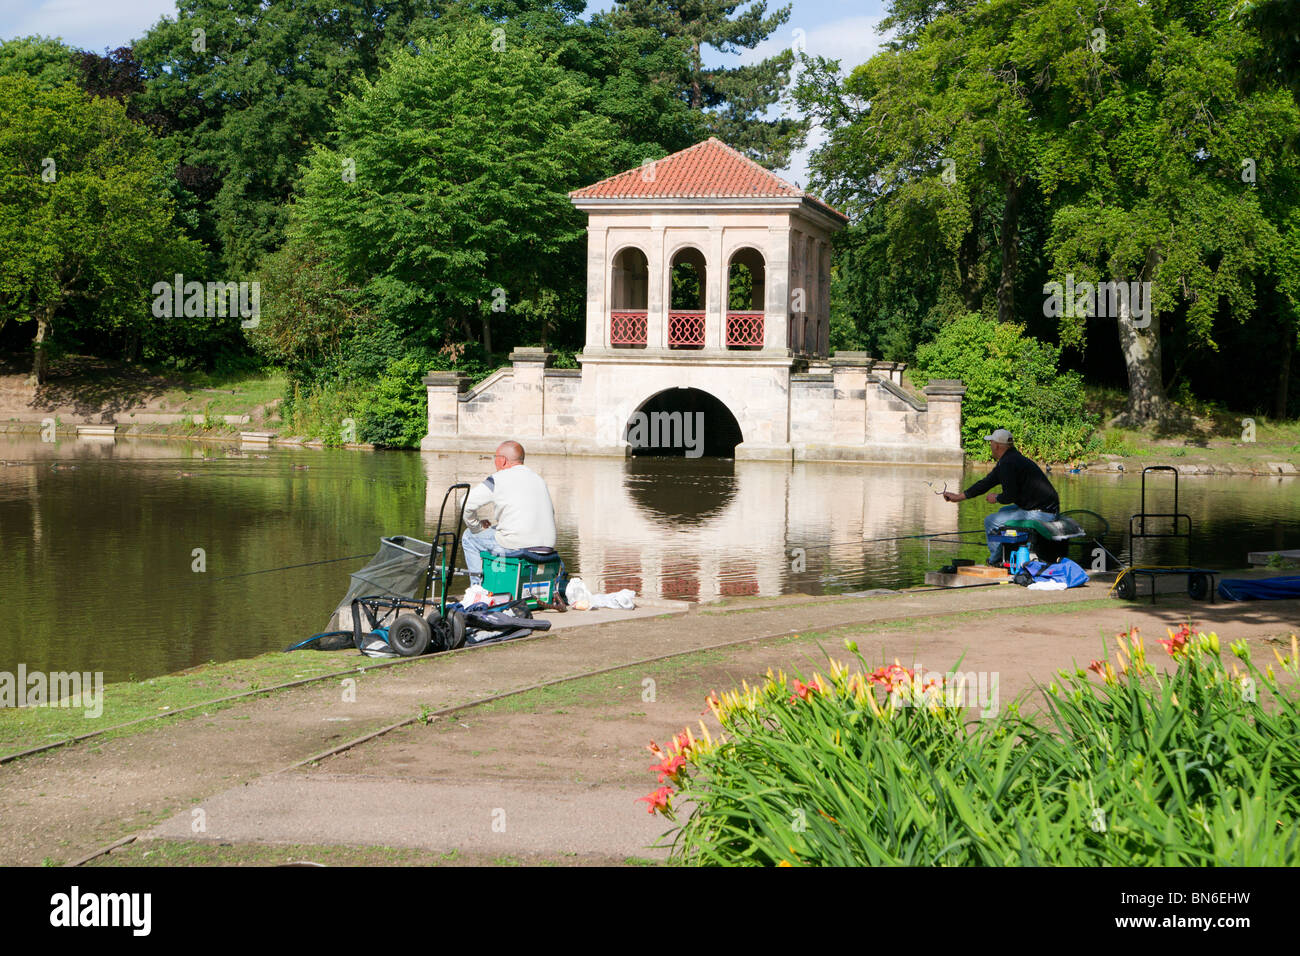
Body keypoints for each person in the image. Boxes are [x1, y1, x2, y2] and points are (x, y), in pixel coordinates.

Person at [942, 429, 1060, 566]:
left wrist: (996, 498)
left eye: (991, 442)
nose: (990, 445)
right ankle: (1007, 554)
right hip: (1045, 508)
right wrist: (958, 497)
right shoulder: (1012, 459)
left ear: (997, 445)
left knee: (991, 521)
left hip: (1043, 513)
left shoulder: (1008, 463)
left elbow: (1010, 496)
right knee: (1002, 513)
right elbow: (986, 483)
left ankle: (995, 561)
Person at [461, 440, 557, 586]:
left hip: (518, 545)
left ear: (503, 460)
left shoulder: (499, 479)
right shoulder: (538, 479)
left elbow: (465, 503)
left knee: (469, 536)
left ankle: (477, 590)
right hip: (547, 547)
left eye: (495, 457)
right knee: (495, 531)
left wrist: (477, 527)